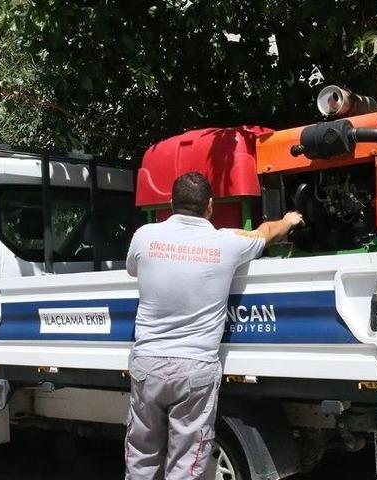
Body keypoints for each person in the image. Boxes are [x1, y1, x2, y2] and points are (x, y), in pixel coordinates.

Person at [124, 172, 304, 479]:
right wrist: (289, 219)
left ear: (171, 203)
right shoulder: (227, 242)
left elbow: (132, 269)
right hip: (195, 369)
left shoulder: (144, 235)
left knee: (142, 452)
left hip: (148, 364)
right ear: (210, 205)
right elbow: (266, 232)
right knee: (186, 460)